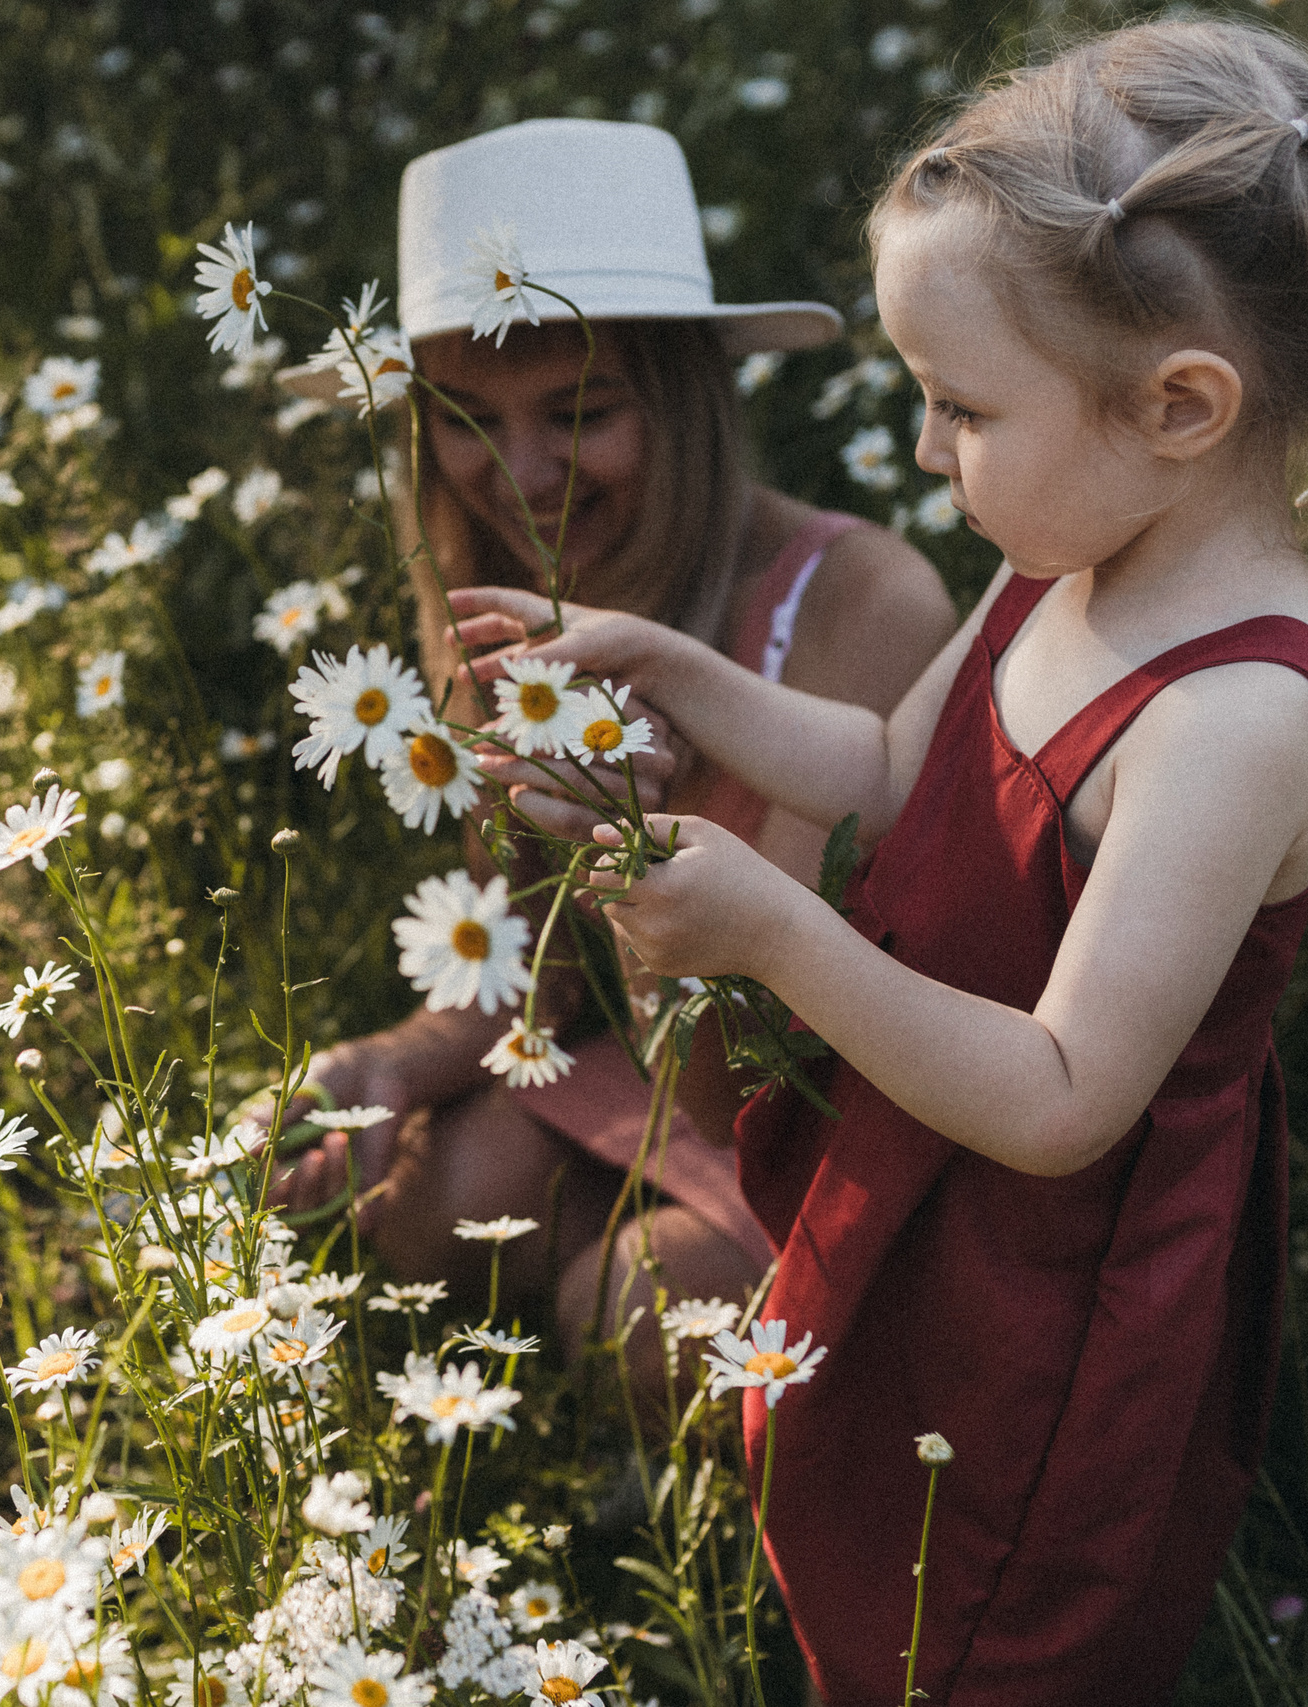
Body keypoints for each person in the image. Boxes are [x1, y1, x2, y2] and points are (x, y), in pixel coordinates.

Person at [451, 21, 1308, 1704]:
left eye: (961, 405)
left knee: (984, 1638)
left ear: (1179, 406)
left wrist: (770, 931)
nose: (930, 448)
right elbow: (887, 762)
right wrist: (672, 668)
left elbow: (1056, 1094)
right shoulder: (1072, 556)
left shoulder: (1234, 713)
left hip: (1050, 1308)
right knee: (865, 1567)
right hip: (921, 1195)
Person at [272, 118, 956, 1373]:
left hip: (841, 1113)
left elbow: (755, 1072)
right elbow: (530, 971)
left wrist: (622, 850)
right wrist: (385, 1066)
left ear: (687, 402)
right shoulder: (503, 595)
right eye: (466, 421)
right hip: (652, 1070)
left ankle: (700, 1501)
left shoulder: (857, 608)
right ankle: (572, 1438)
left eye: (579, 412)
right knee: (430, 1200)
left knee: (633, 1311)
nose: (518, 474)